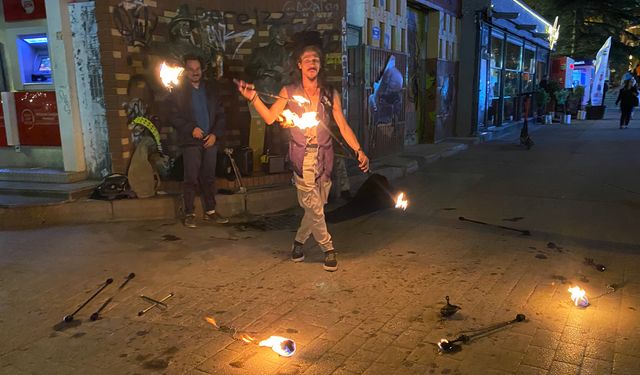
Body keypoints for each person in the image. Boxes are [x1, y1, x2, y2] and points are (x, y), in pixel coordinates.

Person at [235, 44, 369, 272]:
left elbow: (343, 126)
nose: (312, 63)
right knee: (314, 206)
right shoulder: (289, 91)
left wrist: (358, 150)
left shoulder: (329, 94)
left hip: (324, 157)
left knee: (317, 205)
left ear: (320, 64)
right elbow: (269, 118)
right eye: (307, 59)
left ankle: (298, 243)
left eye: (316, 59)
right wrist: (254, 97)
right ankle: (328, 248)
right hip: (302, 156)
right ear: (299, 64)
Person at [170, 55, 229, 227]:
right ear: (185, 70)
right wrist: (191, 128)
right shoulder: (178, 92)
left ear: (202, 70)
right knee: (191, 178)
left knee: (209, 177)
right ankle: (189, 212)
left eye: (197, 69)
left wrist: (215, 135)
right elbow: (173, 116)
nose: (195, 72)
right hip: (190, 141)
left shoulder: (211, 90)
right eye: (191, 69)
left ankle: (210, 211)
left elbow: (221, 115)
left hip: (210, 140)